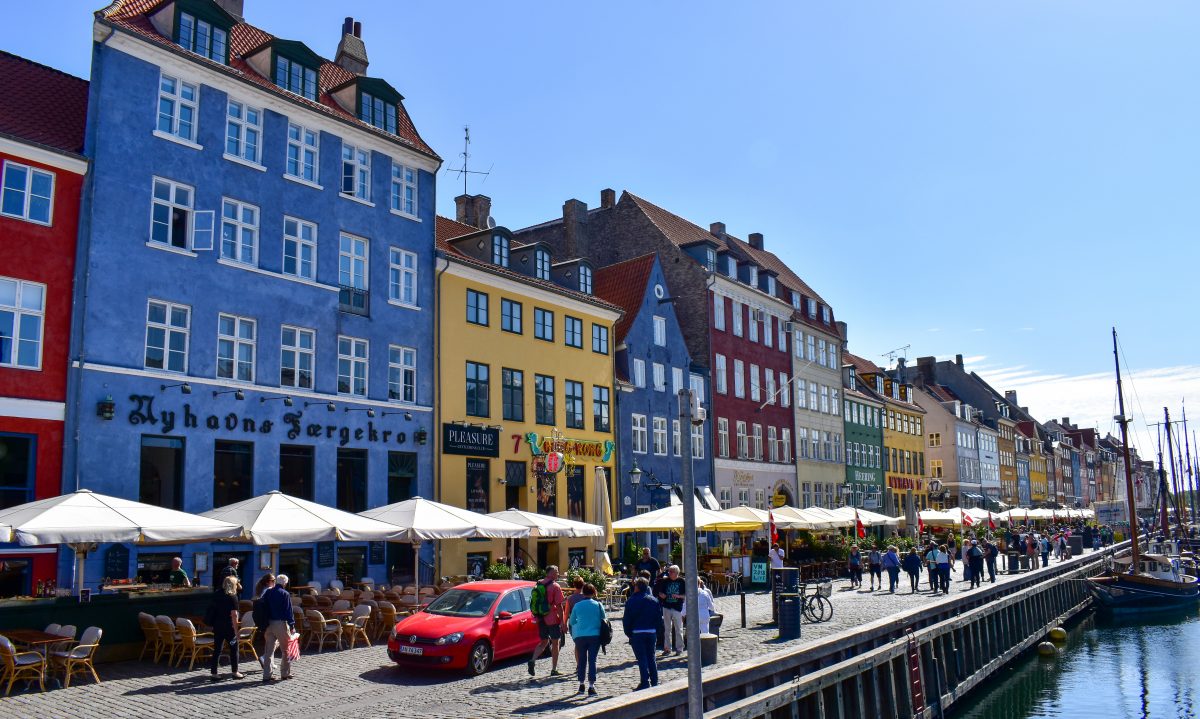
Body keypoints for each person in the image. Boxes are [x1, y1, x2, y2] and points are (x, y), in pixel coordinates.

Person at [622, 577, 662, 690]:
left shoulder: (631, 601)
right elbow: (659, 618)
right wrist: (657, 631)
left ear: (637, 587)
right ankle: (654, 681)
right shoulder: (654, 601)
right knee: (651, 657)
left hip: (637, 632)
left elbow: (626, 620)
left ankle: (644, 681)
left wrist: (629, 633)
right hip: (651, 632)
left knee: (642, 658)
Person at [567, 583, 606, 696]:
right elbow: (604, 619)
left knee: (582, 661)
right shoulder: (598, 605)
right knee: (592, 660)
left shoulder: (577, 606)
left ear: (583, 592)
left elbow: (572, 621)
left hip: (580, 636)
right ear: (594, 592)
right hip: (595, 635)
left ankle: (581, 685)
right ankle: (591, 686)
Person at [528, 565, 566, 677]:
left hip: (540, 617)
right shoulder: (555, 586)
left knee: (543, 642)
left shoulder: (539, 583)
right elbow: (559, 606)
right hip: (552, 618)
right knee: (555, 642)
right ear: (551, 573)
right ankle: (554, 669)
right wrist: (563, 621)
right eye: (556, 572)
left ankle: (533, 660)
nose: (558, 574)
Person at [260, 573, 295, 682]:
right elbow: (289, 611)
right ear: (285, 583)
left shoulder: (268, 592)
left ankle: (267, 675)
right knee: (286, 649)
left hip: (269, 624)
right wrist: (292, 624)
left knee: (269, 650)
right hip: (280, 623)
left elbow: (263, 607)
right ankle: (285, 673)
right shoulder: (285, 593)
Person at [206, 576, 243, 681]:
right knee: (234, 648)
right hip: (229, 628)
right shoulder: (232, 597)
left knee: (217, 649)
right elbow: (234, 615)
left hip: (217, 626)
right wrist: (236, 631)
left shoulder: (217, 594)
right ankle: (235, 672)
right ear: (233, 585)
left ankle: (214, 673)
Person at [657, 565, 686, 656]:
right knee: (667, 629)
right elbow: (660, 591)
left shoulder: (682, 581)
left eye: (671, 572)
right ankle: (667, 648)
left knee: (678, 628)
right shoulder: (665, 581)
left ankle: (679, 648)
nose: (669, 573)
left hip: (677, 607)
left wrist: (678, 596)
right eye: (669, 571)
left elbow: (686, 595)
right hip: (666, 606)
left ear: (676, 573)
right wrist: (662, 595)